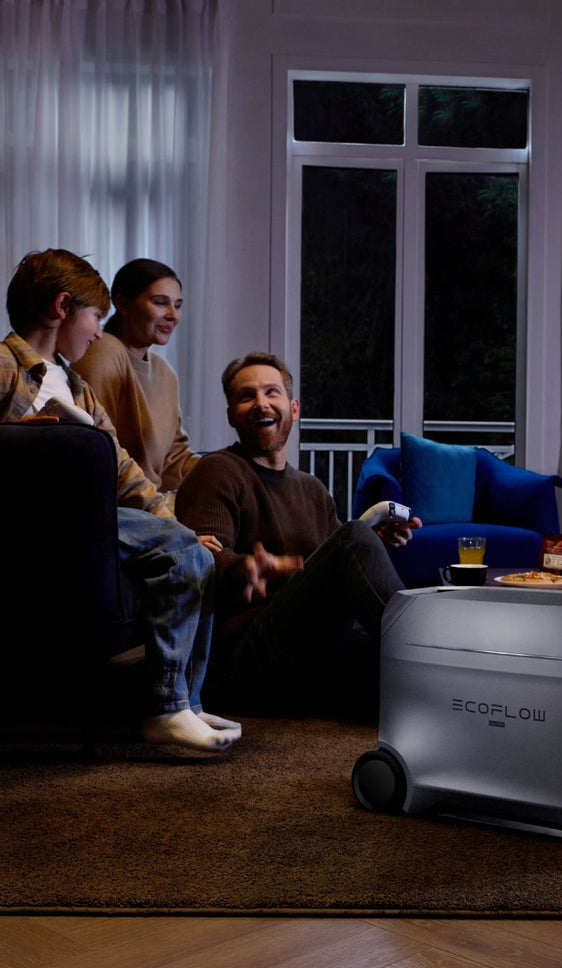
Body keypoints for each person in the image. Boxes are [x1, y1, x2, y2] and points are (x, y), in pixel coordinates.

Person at [1, 248, 240, 752]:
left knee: (194, 551)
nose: (97, 330)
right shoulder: (5, 366)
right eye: (94, 315)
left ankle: (187, 702)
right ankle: (167, 708)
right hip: (37, 519)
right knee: (181, 548)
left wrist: (172, 522)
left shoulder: (79, 387)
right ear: (62, 307)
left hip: (89, 521)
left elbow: (124, 467)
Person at [174, 352, 421, 713]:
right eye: (246, 396)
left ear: (293, 407)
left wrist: (376, 544)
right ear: (231, 415)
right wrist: (243, 567)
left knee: (393, 679)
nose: (261, 404)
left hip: (307, 649)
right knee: (354, 538)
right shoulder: (217, 470)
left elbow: (332, 569)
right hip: (243, 654)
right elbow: (200, 554)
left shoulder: (311, 489)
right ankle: (435, 664)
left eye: (271, 392)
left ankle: (442, 677)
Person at [73, 258, 199, 507]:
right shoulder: (104, 351)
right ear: (122, 304)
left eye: (178, 305)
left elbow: (174, 459)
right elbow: (97, 449)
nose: (173, 315)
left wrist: (229, 470)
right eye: (160, 303)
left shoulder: (165, 373)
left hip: (154, 503)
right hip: (123, 507)